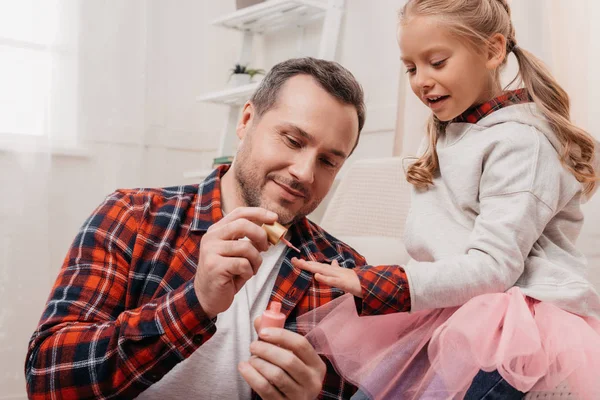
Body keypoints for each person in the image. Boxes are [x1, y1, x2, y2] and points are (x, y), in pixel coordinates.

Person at [293, 1, 600, 399]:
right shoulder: (450, 129)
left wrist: (379, 283)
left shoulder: (522, 143)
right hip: (451, 306)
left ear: (492, 51)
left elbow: (494, 268)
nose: (422, 80)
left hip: (513, 323)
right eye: (411, 68)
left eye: (437, 62)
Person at [25, 57, 371, 400]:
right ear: (247, 121)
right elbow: (46, 379)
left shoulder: (347, 275)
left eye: (328, 161)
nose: (305, 173)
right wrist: (196, 302)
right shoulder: (132, 216)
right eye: (293, 141)